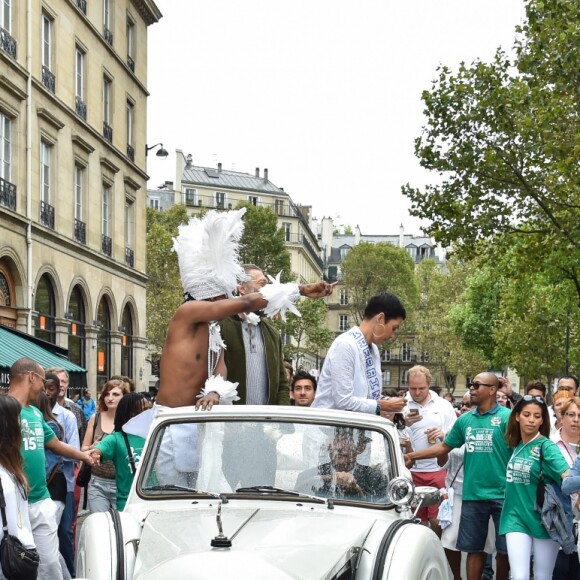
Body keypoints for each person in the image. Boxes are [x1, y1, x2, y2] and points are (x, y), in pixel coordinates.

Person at [404, 372, 511, 580]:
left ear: (492, 390)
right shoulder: (465, 421)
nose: (472, 388)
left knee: (504, 550)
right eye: (471, 384)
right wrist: (412, 455)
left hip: (503, 495)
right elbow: (444, 447)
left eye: (477, 385)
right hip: (472, 495)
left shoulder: (507, 418)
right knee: (474, 548)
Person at [7, 357, 93, 580]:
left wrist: (84, 455)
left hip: (41, 500)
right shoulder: (4, 410)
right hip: (12, 505)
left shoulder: (35, 413)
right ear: (31, 378)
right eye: (43, 382)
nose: (44, 389)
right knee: (13, 563)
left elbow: (56, 444)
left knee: (51, 564)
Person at [499, 395, 569, 580]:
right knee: (519, 576)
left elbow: (567, 475)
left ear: (543, 420)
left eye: (537, 416)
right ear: (516, 416)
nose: (531, 420)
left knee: (542, 576)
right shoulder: (516, 445)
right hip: (515, 518)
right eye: (527, 414)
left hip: (545, 520)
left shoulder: (547, 446)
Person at [311, 292, 407, 415]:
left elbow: (366, 397)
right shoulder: (345, 345)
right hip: (328, 427)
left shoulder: (374, 350)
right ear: (380, 319)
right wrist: (381, 405)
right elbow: (343, 400)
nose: (392, 336)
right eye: (394, 328)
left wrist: (388, 402)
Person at [220, 264, 290, 405]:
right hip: (229, 421)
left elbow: (282, 384)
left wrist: (281, 419)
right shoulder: (221, 326)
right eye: (262, 284)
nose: (269, 291)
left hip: (264, 423)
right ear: (242, 288)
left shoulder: (273, 334)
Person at [404, 365, 457, 537]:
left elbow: (455, 435)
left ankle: (438, 552)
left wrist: (443, 435)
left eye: (421, 388)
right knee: (415, 522)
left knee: (437, 521)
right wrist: (403, 423)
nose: (417, 393)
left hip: (438, 470)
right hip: (410, 471)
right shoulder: (401, 405)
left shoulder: (444, 406)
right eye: (413, 388)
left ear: (429, 384)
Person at [42, 373, 79, 577]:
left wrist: (50, 451)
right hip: (38, 486)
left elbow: (72, 452)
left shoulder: (67, 416)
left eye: (52, 388)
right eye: (44, 388)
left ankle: (70, 574)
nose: (47, 393)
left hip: (62, 484)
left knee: (64, 533)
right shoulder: (31, 415)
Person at [91, 393, 149, 510]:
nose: (149, 413)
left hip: (153, 501)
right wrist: (95, 454)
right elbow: (98, 450)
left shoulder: (155, 432)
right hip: (128, 505)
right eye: (144, 410)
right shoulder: (117, 438)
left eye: (150, 409)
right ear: (131, 413)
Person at [295, 428, 388, 500]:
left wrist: (356, 489)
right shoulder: (306, 476)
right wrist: (325, 478)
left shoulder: (376, 479)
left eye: (347, 440)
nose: (339, 447)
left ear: (361, 447)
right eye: (336, 440)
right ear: (328, 445)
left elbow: (379, 509)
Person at [81, 380, 128, 513]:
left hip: (121, 483)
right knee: (100, 525)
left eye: (116, 394)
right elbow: (83, 449)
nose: (110, 398)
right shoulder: (95, 418)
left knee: (122, 527)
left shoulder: (130, 421)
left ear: (124, 397)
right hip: (97, 483)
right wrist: (92, 447)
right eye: (107, 394)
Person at [551, 396, 580, 579]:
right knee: (559, 572)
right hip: (557, 520)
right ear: (561, 416)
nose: (576, 419)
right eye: (571, 414)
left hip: (579, 521)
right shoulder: (549, 445)